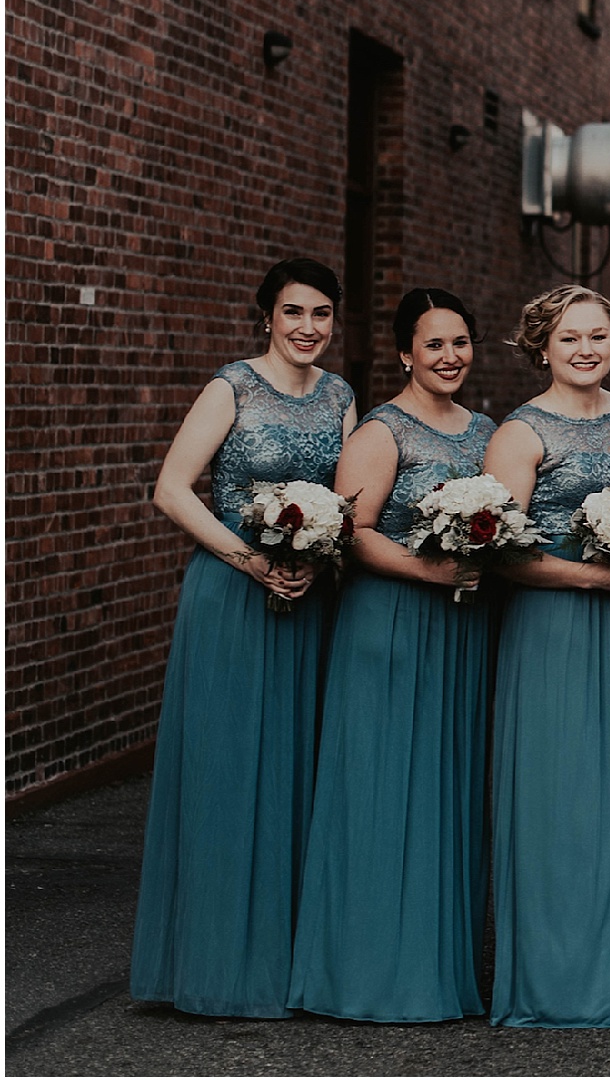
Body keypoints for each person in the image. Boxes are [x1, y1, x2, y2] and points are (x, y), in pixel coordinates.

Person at [131, 258, 356, 1018]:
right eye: (294, 313)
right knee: (227, 767)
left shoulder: (341, 398)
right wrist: (251, 561)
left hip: (308, 598)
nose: (307, 328)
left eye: (322, 314)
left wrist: (316, 560)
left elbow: (349, 503)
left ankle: (289, 961)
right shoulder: (232, 387)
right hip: (231, 594)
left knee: (299, 766)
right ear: (267, 316)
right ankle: (215, 962)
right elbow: (171, 487)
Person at [288, 288, 497, 1022]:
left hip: (465, 633)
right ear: (406, 353)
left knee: (447, 793)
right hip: (392, 625)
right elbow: (355, 529)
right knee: (382, 791)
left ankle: (436, 970)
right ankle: (364, 977)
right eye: (433, 345)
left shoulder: (488, 431)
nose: (449, 357)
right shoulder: (382, 431)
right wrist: (429, 570)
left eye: (460, 342)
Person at [483, 285, 610, 1028]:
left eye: (597, 336)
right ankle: (548, 983)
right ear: (542, 347)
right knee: (554, 797)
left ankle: (606, 981)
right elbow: (497, 552)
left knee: (608, 800)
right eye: (568, 337)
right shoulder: (520, 434)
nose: (585, 348)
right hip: (548, 627)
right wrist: (597, 577)